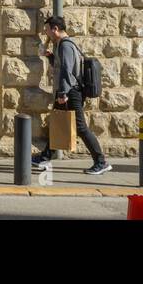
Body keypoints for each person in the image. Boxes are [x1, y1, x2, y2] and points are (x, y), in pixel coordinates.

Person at [31, 15, 111, 176]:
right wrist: (50, 57)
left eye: (47, 30)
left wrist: (62, 92)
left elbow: (67, 72)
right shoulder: (61, 45)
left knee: (80, 128)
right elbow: (62, 67)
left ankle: (101, 162)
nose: (46, 33)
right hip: (69, 90)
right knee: (57, 122)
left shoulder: (65, 45)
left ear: (55, 29)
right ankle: (45, 157)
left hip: (71, 91)